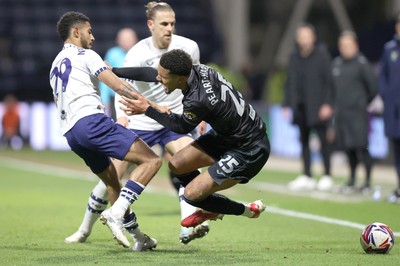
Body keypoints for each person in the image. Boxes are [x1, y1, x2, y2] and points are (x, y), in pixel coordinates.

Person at [64, 2, 209, 246]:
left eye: (172, 23)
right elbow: (121, 89)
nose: (169, 28)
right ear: (150, 25)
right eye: (164, 24)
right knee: (112, 176)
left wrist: (202, 114)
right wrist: (122, 117)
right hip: (143, 119)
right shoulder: (138, 53)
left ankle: (188, 225)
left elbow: (197, 84)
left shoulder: (189, 48)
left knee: (187, 163)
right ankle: (84, 229)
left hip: (173, 120)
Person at [118, 49, 269, 230]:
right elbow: (156, 75)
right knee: (176, 165)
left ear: (180, 79)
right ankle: (207, 202)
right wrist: (114, 71)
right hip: (227, 135)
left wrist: (147, 109)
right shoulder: (199, 69)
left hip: (249, 148)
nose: (159, 79)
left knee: (191, 195)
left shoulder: (197, 100)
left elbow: (180, 127)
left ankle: (247, 210)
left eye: (163, 77)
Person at [49, 11, 162, 251]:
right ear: (76, 32)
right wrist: (152, 107)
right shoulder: (87, 55)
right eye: (89, 31)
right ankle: (115, 214)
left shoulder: (55, 64)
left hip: (71, 134)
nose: (93, 36)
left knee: (112, 182)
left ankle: (138, 237)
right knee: (151, 161)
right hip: (92, 122)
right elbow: (118, 86)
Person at [283, 23, 334, 192]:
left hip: (318, 106)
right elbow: (289, 81)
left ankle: (327, 175)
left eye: (306, 36)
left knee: (323, 141)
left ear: (313, 37)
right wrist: (286, 103)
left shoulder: (322, 56)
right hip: (300, 106)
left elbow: (329, 82)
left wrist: (328, 103)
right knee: (303, 141)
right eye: (301, 36)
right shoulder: (294, 57)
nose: (303, 40)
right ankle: (307, 175)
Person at [331, 31, 377, 194]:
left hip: (358, 115)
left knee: (361, 147)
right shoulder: (336, 64)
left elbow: (373, 88)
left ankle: (367, 182)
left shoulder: (362, 64)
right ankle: (351, 180)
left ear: (355, 46)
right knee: (348, 149)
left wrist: (361, 103)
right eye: (342, 45)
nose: (345, 48)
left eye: (348, 45)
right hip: (342, 115)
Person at [379, 14, 400, 203]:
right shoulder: (389, 48)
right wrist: (386, 96)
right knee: (397, 149)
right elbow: (383, 77)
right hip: (393, 110)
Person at [99, 27, 138, 119]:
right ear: (118, 41)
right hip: (116, 98)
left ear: (136, 40)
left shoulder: (140, 54)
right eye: (123, 39)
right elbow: (104, 78)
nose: (126, 42)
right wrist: (104, 100)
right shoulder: (112, 54)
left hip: (136, 96)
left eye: (129, 39)